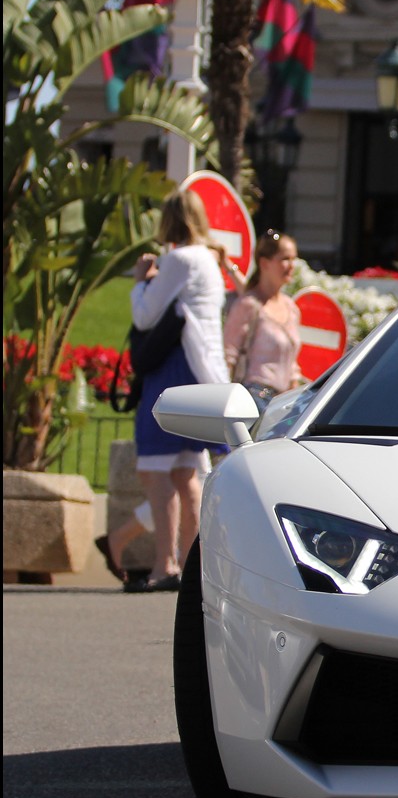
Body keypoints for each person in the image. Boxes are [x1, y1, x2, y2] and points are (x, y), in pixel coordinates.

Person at [120, 189, 228, 593]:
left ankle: (164, 564)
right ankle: (188, 565)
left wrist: (140, 282)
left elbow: (145, 316)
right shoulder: (209, 259)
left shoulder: (180, 258)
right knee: (186, 471)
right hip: (202, 371)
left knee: (155, 469)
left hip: (174, 369)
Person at [224, 230, 304, 410]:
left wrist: (294, 391)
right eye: (285, 259)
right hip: (253, 399)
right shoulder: (248, 305)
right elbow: (229, 356)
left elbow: (292, 363)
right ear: (264, 263)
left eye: (294, 259)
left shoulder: (291, 308)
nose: (291, 265)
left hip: (284, 403)